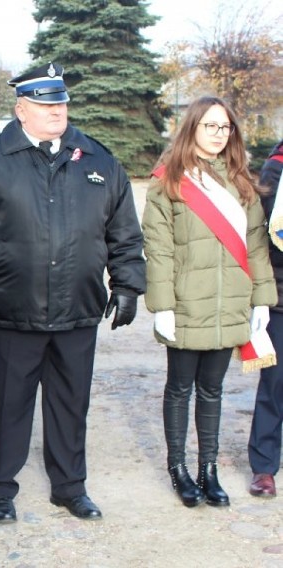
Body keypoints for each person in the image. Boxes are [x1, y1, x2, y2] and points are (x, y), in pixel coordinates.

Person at [0, 62, 146, 522]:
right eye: (45, 104)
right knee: (7, 406)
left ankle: (69, 486)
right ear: (20, 109)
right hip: (10, 309)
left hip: (76, 310)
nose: (56, 111)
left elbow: (123, 231)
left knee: (71, 405)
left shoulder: (99, 161)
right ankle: (0, 487)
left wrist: (127, 283)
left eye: (61, 102)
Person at [143, 96, 276, 508]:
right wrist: (162, 304)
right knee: (180, 388)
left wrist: (261, 300)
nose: (219, 135)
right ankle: (179, 470)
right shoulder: (169, 179)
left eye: (225, 127)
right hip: (186, 304)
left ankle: (208, 469)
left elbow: (256, 247)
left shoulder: (242, 180)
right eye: (210, 126)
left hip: (229, 302)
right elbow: (159, 247)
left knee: (213, 390)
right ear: (192, 128)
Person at [249, 139, 283, 498]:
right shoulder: (277, 166)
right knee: (276, 384)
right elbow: (269, 233)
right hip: (282, 295)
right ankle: (264, 466)